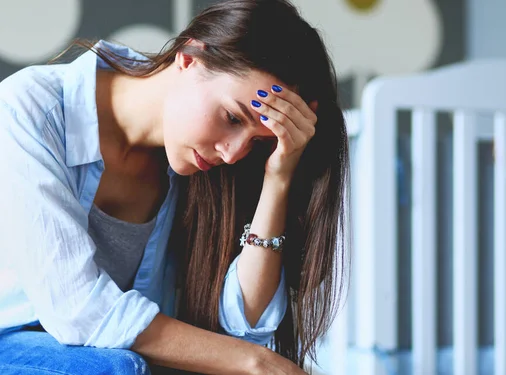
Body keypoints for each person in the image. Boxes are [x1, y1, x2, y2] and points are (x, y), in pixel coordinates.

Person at [0, 0, 349, 374]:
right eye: (232, 117)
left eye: (257, 143)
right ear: (189, 57)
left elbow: (244, 328)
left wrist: (278, 178)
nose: (233, 154)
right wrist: (259, 362)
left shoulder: (210, 168)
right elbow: (77, 309)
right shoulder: (30, 109)